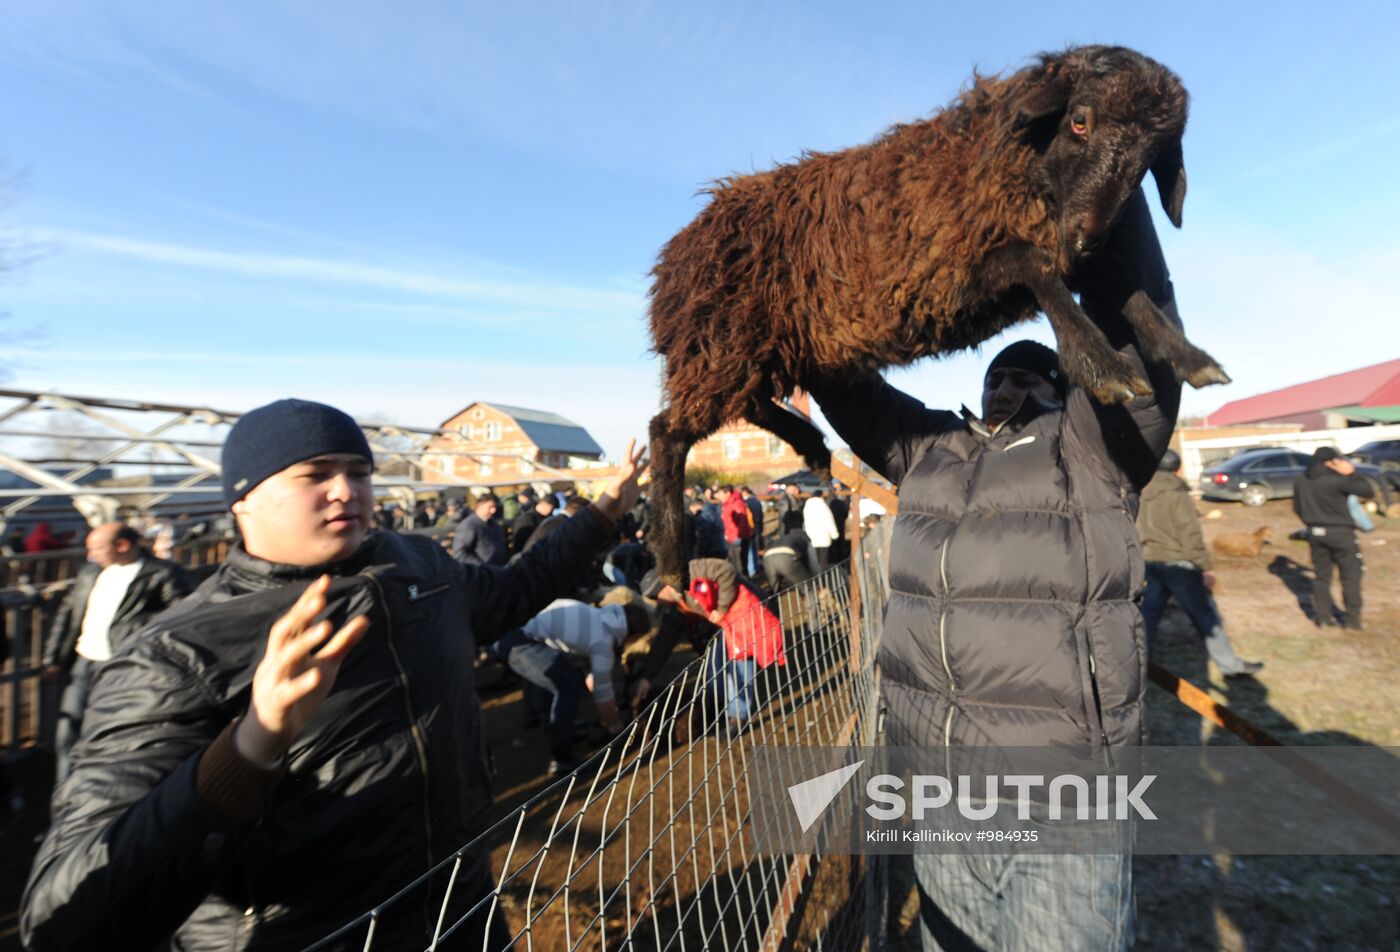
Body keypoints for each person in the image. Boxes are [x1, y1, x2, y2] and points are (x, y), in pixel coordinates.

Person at [21, 397, 647, 952]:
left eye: (358, 472)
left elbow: (517, 591)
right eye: (315, 476)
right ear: (243, 499)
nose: (346, 490)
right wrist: (247, 750)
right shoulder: (179, 651)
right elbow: (65, 918)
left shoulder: (419, 569)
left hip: (460, 908)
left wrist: (601, 514)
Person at [809, 188, 1179, 952]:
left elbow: (1140, 344)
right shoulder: (931, 453)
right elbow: (845, 382)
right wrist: (797, 286)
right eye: (996, 378)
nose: (1005, 387)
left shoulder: (1090, 452)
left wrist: (1111, 186)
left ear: (1067, 387)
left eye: (1028, 378)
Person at [41, 522, 192, 782]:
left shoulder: (162, 573)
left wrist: (136, 630)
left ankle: (99, 787)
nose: (92, 555)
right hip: (84, 661)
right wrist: (53, 658)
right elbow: (68, 614)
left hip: (125, 665)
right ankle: (66, 790)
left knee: (111, 730)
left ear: (123, 545)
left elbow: (182, 614)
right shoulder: (90, 572)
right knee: (68, 731)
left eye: (97, 548)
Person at [1137, 449, 1263, 677]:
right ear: (1178, 469)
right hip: (1180, 565)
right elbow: (1190, 535)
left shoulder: (1140, 491)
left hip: (1150, 562)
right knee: (1205, 617)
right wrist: (1205, 566)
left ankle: (1135, 667)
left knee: (1146, 617)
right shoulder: (1177, 493)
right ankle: (1231, 667)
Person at [491, 598, 653, 774]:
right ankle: (561, 759)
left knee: (558, 678)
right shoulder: (603, 642)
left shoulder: (597, 615)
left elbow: (589, 668)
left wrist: (594, 680)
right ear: (632, 634)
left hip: (512, 632)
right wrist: (615, 725)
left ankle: (554, 726)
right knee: (567, 687)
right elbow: (602, 692)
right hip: (521, 643)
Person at [678, 558, 785, 729]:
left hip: (743, 612)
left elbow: (727, 570)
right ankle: (719, 706)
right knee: (717, 661)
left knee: (741, 660)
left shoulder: (692, 570)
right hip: (726, 622)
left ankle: (738, 715)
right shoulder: (676, 604)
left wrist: (721, 609)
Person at [1293, 446, 1374, 630]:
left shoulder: (1301, 480)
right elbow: (1367, 491)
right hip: (1341, 533)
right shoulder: (1337, 479)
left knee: (1322, 577)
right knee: (1350, 577)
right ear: (1332, 462)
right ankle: (1352, 620)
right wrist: (1352, 473)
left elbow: (1297, 507)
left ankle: (1323, 617)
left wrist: (1311, 521)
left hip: (1315, 532)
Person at [452, 492, 508, 566]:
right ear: (479, 506)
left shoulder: (494, 524)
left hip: (498, 569)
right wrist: (482, 568)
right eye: (490, 507)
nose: (493, 510)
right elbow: (460, 553)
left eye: (495, 507)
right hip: (481, 573)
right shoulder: (468, 525)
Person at [718, 485, 755, 578]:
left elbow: (743, 522)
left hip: (737, 538)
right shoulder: (727, 504)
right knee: (734, 563)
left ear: (728, 493)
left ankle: (745, 586)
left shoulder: (737, 503)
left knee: (740, 564)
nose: (719, 496)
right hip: (731, 537)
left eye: (721, 493)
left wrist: (738, 536)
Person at [802, 489, 839, 570]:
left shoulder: (807, 506)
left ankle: (816, 573)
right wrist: (834, 534)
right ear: (821, 495)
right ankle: (823, 576)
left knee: (815, 559)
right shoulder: (823, 506)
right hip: (823, 535)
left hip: (811, 535)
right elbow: (829, 520)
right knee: (824, 559)